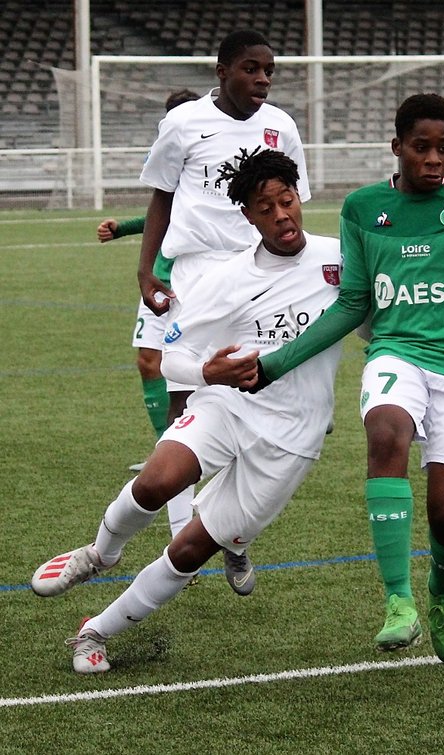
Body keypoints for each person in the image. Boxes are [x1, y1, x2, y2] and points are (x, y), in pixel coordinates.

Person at [243, 93, 444, 663]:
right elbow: (351, 306)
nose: (435, 158)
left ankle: (442, 593)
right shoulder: (363, 209)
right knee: (386, 432)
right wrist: (272, 365)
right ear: (397, 148)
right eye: (422, 147)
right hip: (395, 352)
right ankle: (400, 602)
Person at [31, 150, 344, 674]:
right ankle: (99, 554)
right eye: (264, 208)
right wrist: (208, 375)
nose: (281, 215)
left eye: (286, 201)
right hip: (228, 405)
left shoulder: (341, 261)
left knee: (190, 550)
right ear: (247, 217)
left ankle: (94, 631)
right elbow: (172, 353)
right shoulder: (228, 277)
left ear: (299, 197)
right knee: (158, 480)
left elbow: (380, 320)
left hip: (292, 436)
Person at [135, 29, 311, 592]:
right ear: (221, 70)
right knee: (186, 400)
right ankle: (181, 529)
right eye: (251, 69)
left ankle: (231, 535)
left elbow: (291, 201)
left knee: (252, 402)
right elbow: (161, 195)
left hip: (257, 276)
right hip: (194, 275)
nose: (262, 80)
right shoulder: (182, 124)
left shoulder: (280, 126)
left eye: (269, 71)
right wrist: (147, 271)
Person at [98, 89, 200, 484]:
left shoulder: (215, 160)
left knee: (212, 361)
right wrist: (123, 228)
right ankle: (165, 450)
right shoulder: (169, 152)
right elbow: (163, 211)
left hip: (201, 277)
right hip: (161, 274)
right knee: (149, 361)